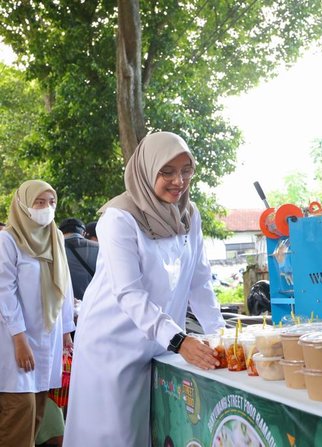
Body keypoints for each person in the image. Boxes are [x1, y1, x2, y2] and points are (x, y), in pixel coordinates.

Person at [63, 132, 225, 446]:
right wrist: (180, 340)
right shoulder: (120, 218)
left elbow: (200, 282)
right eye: (167, 171)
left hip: (160, 345)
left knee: (158, 431)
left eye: (185, 171)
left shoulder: (189, 215)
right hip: (113, 346)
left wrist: (220, 335)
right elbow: (129, 293)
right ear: (147, 170)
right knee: (116, 436)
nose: (178, 181)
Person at [0, 180, 75, 447]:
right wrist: (19, 340)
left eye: (51, 202)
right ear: (23, 205)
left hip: (48, 341)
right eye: (39, 202)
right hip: (14, 341)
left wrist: (66, 331)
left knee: (37, 416)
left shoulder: (54, 237)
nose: (47, 209)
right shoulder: (8, 240)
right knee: (19, 412)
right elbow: (4, 292)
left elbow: (64, 284)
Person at [58, 218, 99, 301]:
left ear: (60, 233)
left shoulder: (53, 250)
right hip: (91, 304)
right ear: (83, 233)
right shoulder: (99, 248)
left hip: (64, 305)